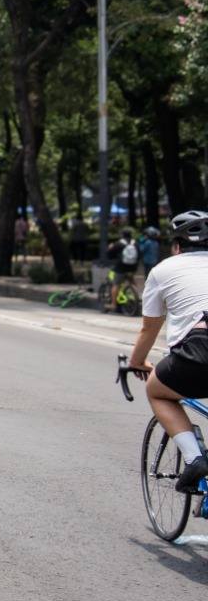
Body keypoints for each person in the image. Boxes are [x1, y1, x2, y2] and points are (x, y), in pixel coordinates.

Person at [128, 211, 208, 492]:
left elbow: (149, 329)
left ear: (176, 246)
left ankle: (194, 458)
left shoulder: (163, 270)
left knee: (157, 390)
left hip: (198, 353)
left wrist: (137, 362)